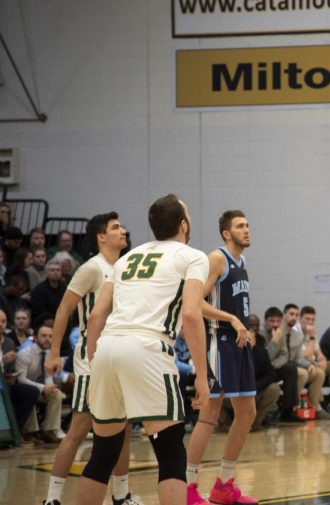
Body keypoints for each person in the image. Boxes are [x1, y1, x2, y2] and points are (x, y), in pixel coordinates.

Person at [75, 194, 210, 505]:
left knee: (103, 454)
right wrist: (202, 377)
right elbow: (191, 314)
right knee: (171, 453)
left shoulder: (126, 258)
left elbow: (96, 316)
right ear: (183, 224)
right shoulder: (192, 256)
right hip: (148, 348)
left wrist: (95, 364)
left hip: (107, 346)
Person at [42, 212, 140, 505]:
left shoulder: (125, 266)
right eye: (115, 227)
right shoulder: (92, 268)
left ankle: (121, 495)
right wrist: (55, 351)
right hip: (90, 357)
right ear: (100, 236)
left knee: (122, 427)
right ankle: (52, 498)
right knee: (79, 428)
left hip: (116, 354)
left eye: (122, 226)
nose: (123, 231)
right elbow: (63, 309)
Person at [186, 210, 257, 505]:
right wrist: (231, 319)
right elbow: (195, 302)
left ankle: (224, 484)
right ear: (226, 233)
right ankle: (188, 488)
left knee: (248, 412)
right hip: (218, 343)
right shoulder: (216, 258)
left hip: (239, 346)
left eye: (248, 225)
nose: (247, 229)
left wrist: (246, 327)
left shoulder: (242, 262)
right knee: (210, 415)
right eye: (241, 226)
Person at [15, 324, 65, 445]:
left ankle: (49, 430)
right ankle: (29, 432)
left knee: (56, 394)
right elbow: (21, 379)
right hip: (24, 388)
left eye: (50, 336)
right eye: (43, 336)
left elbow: (48, 376)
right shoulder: (24, 354)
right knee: (30, 393)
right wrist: (42, 388)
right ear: (35, 338)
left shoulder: (49, 353)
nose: (47, 339)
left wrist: (49, 387)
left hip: (40, 388)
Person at [1, 307, 40, 443]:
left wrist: (10, 375)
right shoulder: (12, 339)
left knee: (31, 392)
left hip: (6, 383)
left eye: (3, 321)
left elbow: (10, 368)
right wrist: (2, 360)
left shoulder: (9, 342)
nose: (1, 324)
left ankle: (16, 431)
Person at [263, 306, 301, 421]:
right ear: (266, 321)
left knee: (291, 368)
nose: (275, 324)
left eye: (278, 321)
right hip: (262, 370)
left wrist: (275, 364)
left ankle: (288, 410)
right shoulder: (261, 334)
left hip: (274, 366)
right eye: (272, 321)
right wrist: (274, 341)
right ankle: (266, 413)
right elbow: (265, 358)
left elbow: (285, 355)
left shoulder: (281, 333)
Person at [30, 260, 67, 329]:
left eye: (58, 270)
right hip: (44, 324)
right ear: (46, 272)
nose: (55, 272)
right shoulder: (39, 290)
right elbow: (37, 311)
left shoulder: (65, 288)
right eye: (52, 270)